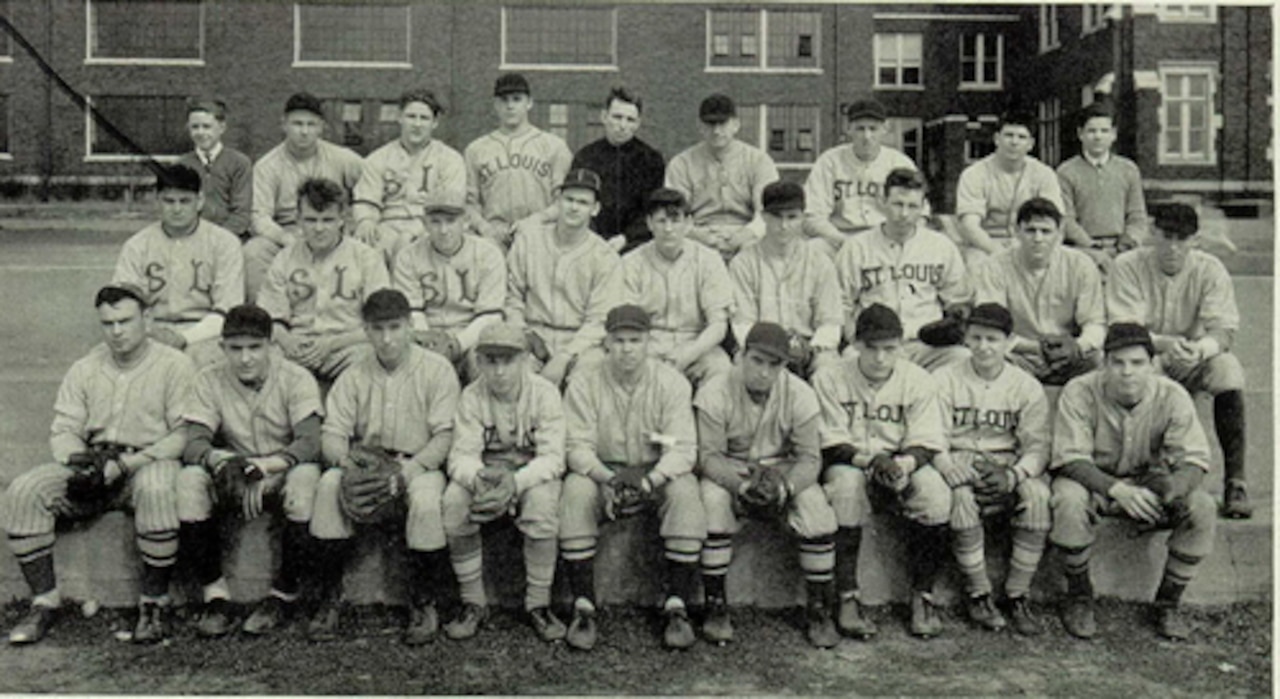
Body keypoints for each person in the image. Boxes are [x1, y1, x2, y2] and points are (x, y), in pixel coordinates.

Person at [3, 283, 195, 645]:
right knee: (24, 492)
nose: (117, 331)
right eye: (108, 323)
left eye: (125, 321)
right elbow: (63, 429)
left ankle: (154, 603)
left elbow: (181, 435)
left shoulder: (175, 365)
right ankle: (44, 602)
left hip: (146, 459)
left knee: (157, 490)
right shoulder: (86, 368)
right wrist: (79, 462)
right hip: (94, 460)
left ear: (147, 318)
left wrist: (127, 464)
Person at [307, 289, 461, 644]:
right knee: (330, 485)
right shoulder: (354, 373)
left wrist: (411, 470)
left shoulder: (437, 369)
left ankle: (423, 602)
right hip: (368, 461)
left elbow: (445, 436)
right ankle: (329, 600)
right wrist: (345, 462)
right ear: (366, 330)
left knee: (424, 502)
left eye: (395, 327)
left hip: (418, 463)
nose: (387, 337)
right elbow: (332, 433)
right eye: (378, 329)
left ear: (410, 326)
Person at [1049, 323, 1217, 641]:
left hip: (1149, 482)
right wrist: (1116, 490)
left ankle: (1168, 603)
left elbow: (1195, 460)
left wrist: (1171, 492)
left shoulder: (1172, 394)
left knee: (1202, 506)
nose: (1127, 372)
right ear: (1104, 363)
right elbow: (1069, 458)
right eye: (1118, 362)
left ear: (1152, 365)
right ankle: (1079, 595)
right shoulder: (1080, 390)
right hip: (1095, 481)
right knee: (1068, 499)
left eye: (1137, 363)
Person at [558, 305, 705, 651]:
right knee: (575, 489)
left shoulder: (671, 382)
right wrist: (608, 479)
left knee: (685, 489)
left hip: (654, 472)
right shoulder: (584, 381)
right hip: (604, 471)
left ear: (648, 342)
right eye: (619, 340)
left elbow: (682, 449)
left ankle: (677, 604)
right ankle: (584, 605)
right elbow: (576, 447)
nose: (627, 348)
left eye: (635, 340)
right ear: (606, 342)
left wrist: (650, 480)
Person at [175, 304, 324, 637]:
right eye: (236, 348)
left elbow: (311, 441)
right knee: (188, 481)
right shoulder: (209, 378)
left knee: (305, 481)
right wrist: (223, 462)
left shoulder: (295, 377)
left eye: (255, 347)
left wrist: (269, 465)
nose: (245, 358)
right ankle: (215, 595)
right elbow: (194, 442)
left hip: (280, 467)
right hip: (233, 469)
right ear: (222, 348)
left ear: (272, 346)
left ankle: (282, 595)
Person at [695, 322, 841, 649]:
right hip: (733, 469)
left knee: (815, 509)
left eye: (774, 364)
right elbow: (709, 457)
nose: (764, 372)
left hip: (781, 469)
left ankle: (819, 609)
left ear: (784, 366)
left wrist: (786, 487)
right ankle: (716, 605)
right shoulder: (714, 391)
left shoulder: (801, 393)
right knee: (712, 501)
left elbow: (810, 459)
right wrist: (739, 486)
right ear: (741, 355)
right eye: (757, 360)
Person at [814, 304, 951, 640]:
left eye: (889, 348)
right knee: (846, 488)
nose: (880, 358)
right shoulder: (829, 376)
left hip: (900, 461)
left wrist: (904, 465)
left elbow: (927, 440)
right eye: (872, 348)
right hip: (850, 462)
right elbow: (829, 442)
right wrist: (869, 461)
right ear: (856, 344)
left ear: (901, 346)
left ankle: (923, 595)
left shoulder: (917, 379)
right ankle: (847, 596)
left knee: (935, 493)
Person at [1107, 203, 1249, 518]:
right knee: (1143, 376)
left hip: (1193, 355)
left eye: (1182, 239)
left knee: (1228, 370)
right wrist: (1168, 345)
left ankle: (1235, 481)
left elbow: (1224, 330)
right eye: (1166, 236)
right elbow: (1124, 329)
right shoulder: (1128, 264)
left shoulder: (1209, 268)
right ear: (1152, 234)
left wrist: (1200, 350)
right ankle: (1150, 475)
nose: (1173, 247)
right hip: (1146, 354)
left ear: (1195, 241)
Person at [441, 322, 567, 643]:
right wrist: (478, 479)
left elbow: (554, 459)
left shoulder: (545, 393)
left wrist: (516, 483)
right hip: (487, 473)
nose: (499, 371)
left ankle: (538, 604)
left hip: (530, 472)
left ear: (525, 359)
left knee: (541, 504)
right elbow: (460, 457)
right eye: (491, 361)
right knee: (455, 500)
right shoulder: (471, 396)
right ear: (479, 362)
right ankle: (473, 602)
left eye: (508, 361)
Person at [931, 303, 1051, 636]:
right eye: (976, 338)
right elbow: (932, 434)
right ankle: (979, 593)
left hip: (1007, 460)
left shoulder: (1026, 386)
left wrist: (1013, 475)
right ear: (966, 339)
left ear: (1009, 341)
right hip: (960, 455)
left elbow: (1037, 448)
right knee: (961, 498)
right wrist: (946, 464)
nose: (984, 346)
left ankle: (1017, 594)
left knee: (1038, 496)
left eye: (993, 339)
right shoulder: (944, 379)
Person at [835, 168, 970, 370]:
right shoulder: (856, 247)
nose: (904, 214)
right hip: (874, 345)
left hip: (925, 347)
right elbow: (841, 305)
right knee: (847, 364)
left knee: (963, 358)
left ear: (923, 207)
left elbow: (958, 302)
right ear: (883, 202)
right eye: (898, 204)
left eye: (912, 206)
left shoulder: (941, 246)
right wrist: (856, 341)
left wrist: (953, 324)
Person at [257, 178, 389, 384]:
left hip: (346, 346)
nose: (319, 228)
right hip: (298, 346)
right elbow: (270, 317)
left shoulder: (366, 258)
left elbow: (380, 323)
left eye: (327, 220)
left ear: (342, 219)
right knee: (265, 359)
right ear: (298, 219)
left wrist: (331, 344)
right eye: (311, 220)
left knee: (370, 359)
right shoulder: (285, 258)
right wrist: (287, 341)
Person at [113, 163, 244, 368]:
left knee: (202, 365)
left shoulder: (224, 243)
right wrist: (152, 333)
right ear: (158, 201)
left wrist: (185, 339)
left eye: (185, 201)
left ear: (199, 201)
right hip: (151, 332)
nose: (176, 209)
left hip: (205, 334)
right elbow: (122, 307)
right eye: (169, 201)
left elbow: (227, 311)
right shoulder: (137, 245)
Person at [505, 169, 623, 388]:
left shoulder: (605, 256)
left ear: (595, 209)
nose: (574, 207)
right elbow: (512, 298)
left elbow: (598, 320)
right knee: (510, 372)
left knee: (588, 376)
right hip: (532, 334)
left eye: (583, 202)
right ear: (558, 201)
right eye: (568, 199)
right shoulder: (528, 241)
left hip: (581, 343)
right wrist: (523, 333)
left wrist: (565, 356)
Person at [971, 197, 1105, 385]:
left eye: (1046, 231)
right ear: (1016, 232)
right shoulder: (995, 266)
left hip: (1068, 355)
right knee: (987, 359)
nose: (1038, 238)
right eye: (1030, 230)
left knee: (1100, 360)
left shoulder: (1080, 265)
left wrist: (1077, 347)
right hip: (1018, 356)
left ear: (1059, 234)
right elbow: (991, 325)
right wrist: (1035, 349)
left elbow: (1095, 323)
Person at [246, 92, 364, 300]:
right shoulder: (267, 166)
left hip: (333, 229)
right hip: (289, 232)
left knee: (373, 241)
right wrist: (284, 238)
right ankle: (264, 316)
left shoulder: (343, 158)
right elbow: (259, 217)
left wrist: (360, 220)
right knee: (254, 251)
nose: (304, 131)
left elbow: (370, 186)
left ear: (321, 127)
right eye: (297, 124)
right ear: (284, 125)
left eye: (311, 124)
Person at [621, 188, 734, 386]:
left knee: (722, 372)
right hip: (647, 345)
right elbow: (627, 323)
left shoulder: (709, 260)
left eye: (675, 221)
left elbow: (718, 325)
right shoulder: (631, 263)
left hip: (696, 344)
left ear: (689, 223)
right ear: (649, 223)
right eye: (661, 221)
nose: (668, 229)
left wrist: (690, 352)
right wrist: (647, 355)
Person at [728, 181, 841, 379]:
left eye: (792, 217)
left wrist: (811, 349)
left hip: (809, 347)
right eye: (776, 217)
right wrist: (772, 350)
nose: (783, 226)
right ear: (763, 217)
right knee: (741, 368)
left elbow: (830, 322)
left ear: (803, 218)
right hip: (760, 346)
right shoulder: (743, 263)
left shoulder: (820, 262)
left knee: (829, 370)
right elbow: (742, 325)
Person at [391, 189, 506, 381]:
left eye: (451, 221)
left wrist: (456, 345)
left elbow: (490, 316)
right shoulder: (408, 256)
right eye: (436, 222)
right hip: (425, 338)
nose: (443, 230)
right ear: (425, 223)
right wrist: (429, 344)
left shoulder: (488, 254)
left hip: (473, 337)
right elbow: (412, 311)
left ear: (465, 221)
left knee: (484, 364)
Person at [352, 88, 467, 266]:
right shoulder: (379, 158)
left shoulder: (449, 159)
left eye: (424, 118)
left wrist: (414, 231)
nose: (417, 124)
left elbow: (449, 205)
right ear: (399, 118)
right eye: (411, 116)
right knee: (364, 250)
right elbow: (367, 200)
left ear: (434, 123)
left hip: (431, 226)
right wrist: (366, 220)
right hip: (387, 226)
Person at [464, 73, 574, 250]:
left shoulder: (554, 146)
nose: (510, 106)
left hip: (541, 234)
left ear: (529, 102)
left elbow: (565, 200)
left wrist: (537, 220)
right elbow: (469, 203)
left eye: (517, 99)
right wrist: (484, 227)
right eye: (504, 100)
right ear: (495, 105)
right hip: (492, 237)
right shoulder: (475, 149)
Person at [804, 98, 925, 258]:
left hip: (887, 240)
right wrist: (842, 241)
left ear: (885, 129)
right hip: (839, 239)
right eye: (860, 128)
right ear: (848, 129)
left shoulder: (899, 163)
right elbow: (812, 216)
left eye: (873, 128)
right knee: (812, 249)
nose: (867, 136)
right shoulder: (829, 161)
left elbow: (919, 214)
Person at [665, 94, 779, 261]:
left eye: (723, 123)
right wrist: (700, 237)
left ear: (736, 124)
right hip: (699, 236)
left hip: (746, 234)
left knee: (760, 256)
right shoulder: (681, 163)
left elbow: (768, 211)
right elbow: (673, 213)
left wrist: (746, 234)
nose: (717, 131)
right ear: (700, 126)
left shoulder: (759, 161)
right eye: (710, 124)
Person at [955, 110, 1065, 267]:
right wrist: (998, 252)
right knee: (977, 267)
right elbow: (970, 226)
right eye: (1008, 135)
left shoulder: (1044, 174)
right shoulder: (974, 174)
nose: (1014, 142)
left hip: (1031, 242)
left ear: (1030, 144)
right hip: (986, 245)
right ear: (997, 139)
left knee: (1058, 266)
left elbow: (1055, 222)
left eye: (1021, 137)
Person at [570, 87, 666, 253]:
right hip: (589, 244)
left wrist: (626, 238)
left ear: (638, 123)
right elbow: (577, 203)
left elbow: (653, 210)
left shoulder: (651, 160)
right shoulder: (585, 157)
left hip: (637, 245)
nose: (622, 125)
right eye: (617, 117)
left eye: (630, 120)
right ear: (604, 117)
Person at [1056, 100, 1147, 269]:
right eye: (1091, 131)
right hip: (1082, 249)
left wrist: (1129, 241)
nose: (1098, 136)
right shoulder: (1066, 172)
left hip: (1122, 248)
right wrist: (1091, 247)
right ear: (1080, 134)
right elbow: (1066, 219)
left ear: (1113, 134)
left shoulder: (1128, 170)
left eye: (1104, 131)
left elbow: (1137, 215)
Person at [179, 98, 252, 238]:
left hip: (231, 237)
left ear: (222, 128)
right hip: (192, 238)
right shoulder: (182, 165)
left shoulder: (239, 163)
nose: (200, 132)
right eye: (195, 127)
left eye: (207, 126)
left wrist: (218, 240)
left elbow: (242, 213)